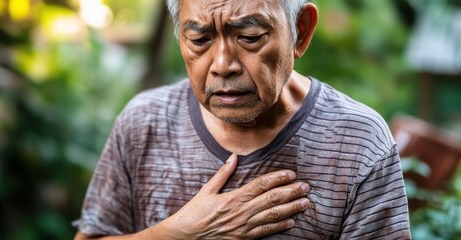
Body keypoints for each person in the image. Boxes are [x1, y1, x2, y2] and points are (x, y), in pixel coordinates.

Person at [73, 0, 411, 239]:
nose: (222, 64)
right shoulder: (144, 121)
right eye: (200, 40)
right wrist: (177, 234)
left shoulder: (357, 142)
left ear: (300, 31)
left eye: (249, 37)